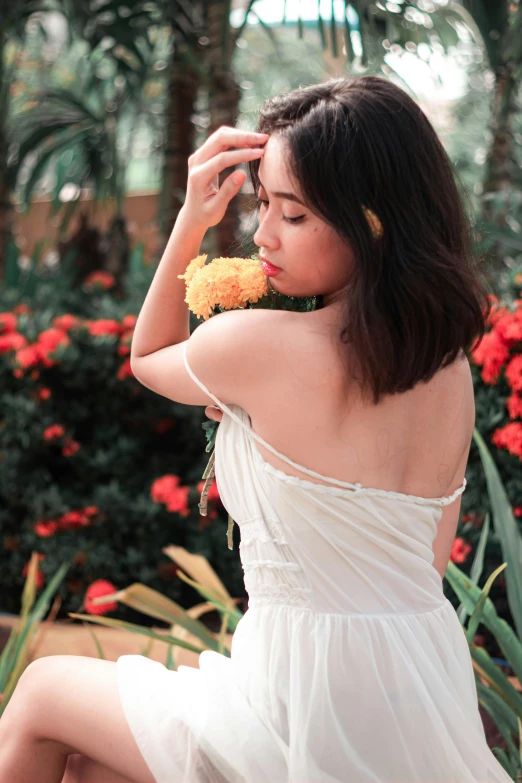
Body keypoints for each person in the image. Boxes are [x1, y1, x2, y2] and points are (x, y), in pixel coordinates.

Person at [0, 76, 513, 783]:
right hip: (414, 692)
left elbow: (146, 358)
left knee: (39, 693)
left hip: (299, 699)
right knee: (96, 770)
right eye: (262, 202)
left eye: (293, 214)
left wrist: (190, 220)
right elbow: (416, 566)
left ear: (372, 221)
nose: (263, 234)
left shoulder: (260, 344)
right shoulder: (447, 368)